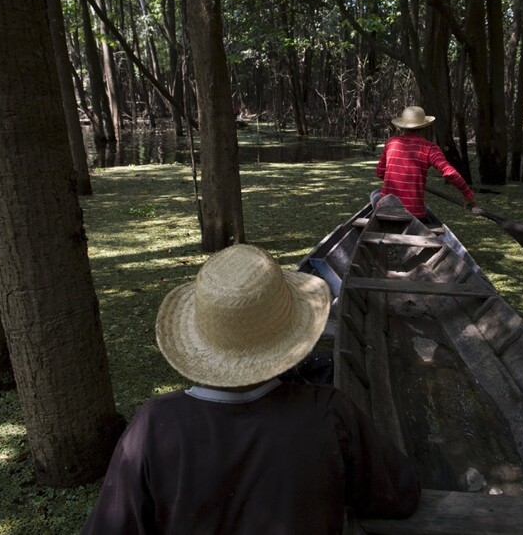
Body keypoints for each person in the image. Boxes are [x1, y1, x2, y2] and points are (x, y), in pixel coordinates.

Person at [82, 244, 420, 534]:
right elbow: (399, 495)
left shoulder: (152, 429)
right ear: (291, 337)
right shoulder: (329, 413)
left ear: (201, 339)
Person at [376, 106, 476, 219]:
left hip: (385, 210)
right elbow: (450, 173)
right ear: (423, 127)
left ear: (402, 126)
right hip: (413, 213)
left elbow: (380, 173)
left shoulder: (391, 143)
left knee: (375, 196)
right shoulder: (429, 148)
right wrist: (468, 195)